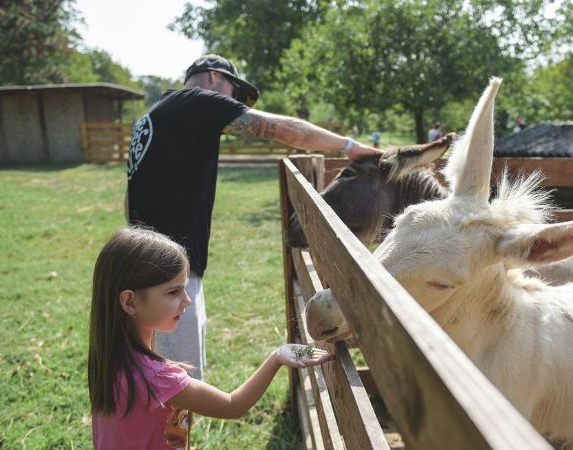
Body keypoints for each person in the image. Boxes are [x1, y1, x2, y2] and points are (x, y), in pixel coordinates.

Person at [125, 54, 381, 381]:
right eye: (233, 91)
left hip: (144, 269)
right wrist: (349, 146)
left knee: (153, 375)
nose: (232, 101)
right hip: (165, 278)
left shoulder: (155, 116)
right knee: (179, 387)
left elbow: (130, 194)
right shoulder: (198, 102)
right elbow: (286, 129)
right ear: (215, 78)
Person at [88, 227, 333, 449]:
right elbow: (231, 405)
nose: (187, 300)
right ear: (130, 301)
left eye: (184, 287)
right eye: (173, 291)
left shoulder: (109, 359)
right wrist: (277, 357)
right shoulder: (157, 377)